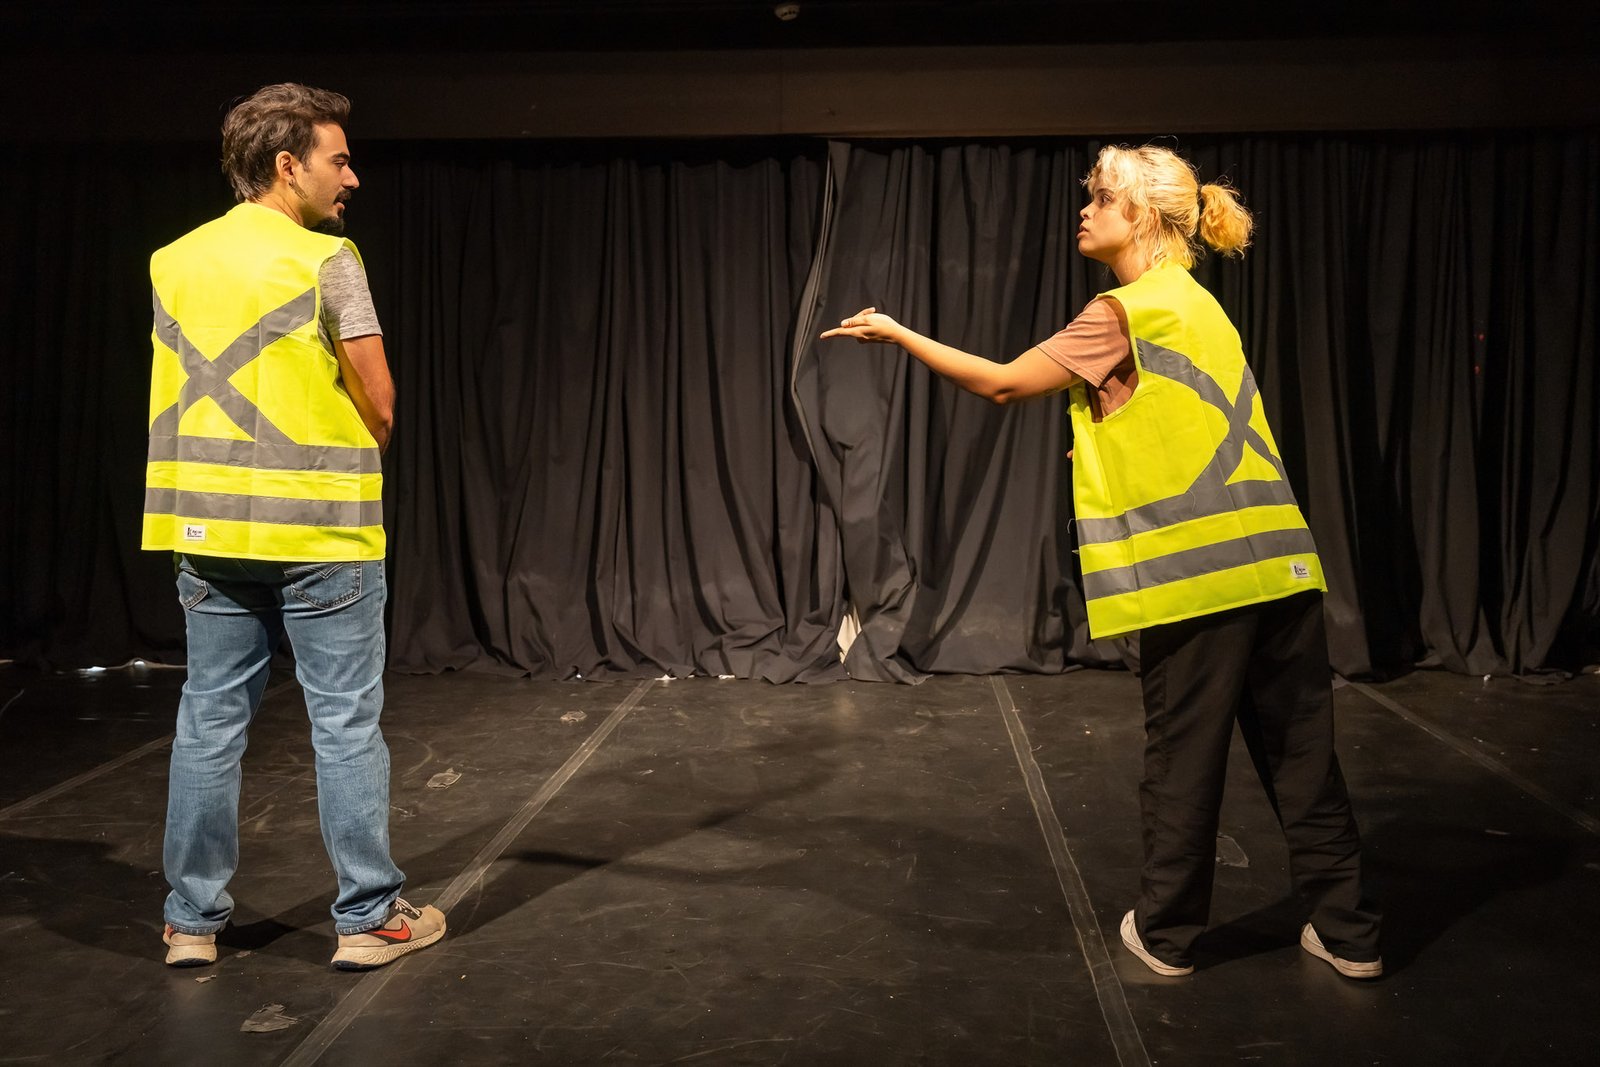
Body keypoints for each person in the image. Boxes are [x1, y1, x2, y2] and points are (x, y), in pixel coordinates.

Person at [822, 144, 1382, 979]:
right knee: (1302, 757)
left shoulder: (1122, 311)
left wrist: (898, 332)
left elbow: (1003, 383)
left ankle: (1166, 935)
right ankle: (1351, 934)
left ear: (1143, 216)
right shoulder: (1198, 305)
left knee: (1183, 758)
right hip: (1281, 566)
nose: (1084, 210)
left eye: (1102, 197)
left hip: (1198, 578)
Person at [143, 83, 444, 970]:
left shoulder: (172, 260)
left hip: (207, 535)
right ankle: (369, 918)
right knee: (345, 723)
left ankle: (191, 922)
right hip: (321, 536)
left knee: (207, 724)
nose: (351, 178)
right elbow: (378, 400)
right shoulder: (328, 260)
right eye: (338, 160)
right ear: (287, 165)